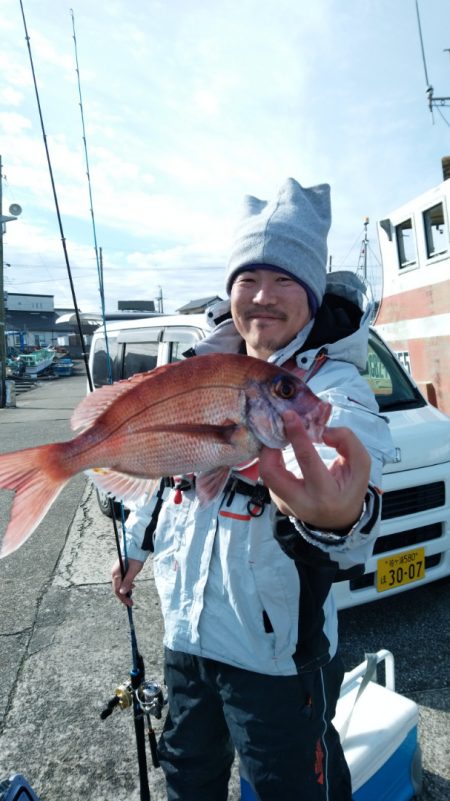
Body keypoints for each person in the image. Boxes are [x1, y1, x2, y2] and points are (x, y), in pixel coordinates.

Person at [111, 178, 394, 801]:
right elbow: (166, 469)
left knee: (286, 786)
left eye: (285, 278)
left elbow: (350, 459)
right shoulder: (197, 371)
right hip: (185, 633)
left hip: (277, 655)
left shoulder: (334, 386)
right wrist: (134, 547)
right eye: (248, 277)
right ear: (230, 289)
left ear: (312, 293)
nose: (263, 295)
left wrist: (339, 515)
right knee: (187, 774)